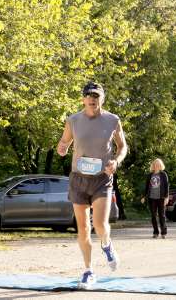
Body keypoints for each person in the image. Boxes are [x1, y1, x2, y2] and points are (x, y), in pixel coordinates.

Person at [57, 81, 128, 289]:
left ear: (101, 99)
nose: (92, 99)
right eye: (89, 96)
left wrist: (116, 161)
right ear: (83, 99)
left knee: (100, 225)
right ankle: (88, 271)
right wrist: (61, 148)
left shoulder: (113, 120)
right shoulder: (73, 120)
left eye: (96, 96)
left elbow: (122, 146)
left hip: (101, 179)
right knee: (83, 229)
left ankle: (106, 244)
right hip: (79, 179)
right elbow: (64, 143)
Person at [142, 158, 169, 238]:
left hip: (161, 198)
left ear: (160, 165)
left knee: (162, 215)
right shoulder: (150, 175)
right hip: (151, 198)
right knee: (153, 215)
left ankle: (163, 233)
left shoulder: (163, 174)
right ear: (153, 165)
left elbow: (167, 186)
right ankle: (155, 232)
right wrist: (143, 196)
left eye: (158, 164)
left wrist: (166, 197)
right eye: (155, 164)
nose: (156, 165)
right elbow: (147, 186)